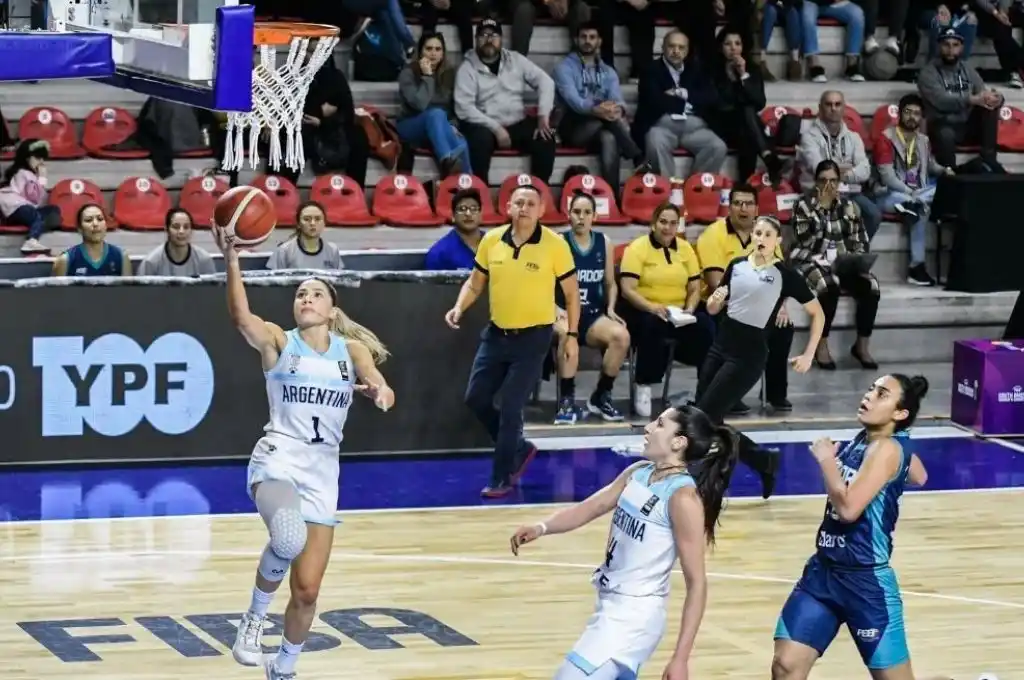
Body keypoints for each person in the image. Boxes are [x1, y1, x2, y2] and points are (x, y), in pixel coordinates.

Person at [215, 222, 395, 680]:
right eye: (300, 294)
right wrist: (232, 258)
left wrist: (379, 394)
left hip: (322, 470)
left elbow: (381, 385)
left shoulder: (351, 351)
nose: (306, 299)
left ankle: (283, 668)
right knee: (288, 537)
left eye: (316, 294)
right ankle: (252, 621)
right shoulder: (280, 340)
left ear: (332, 310)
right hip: (279, 456)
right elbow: (241, 318)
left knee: (308, 591)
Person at [509, 405, 739, 680]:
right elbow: (589, 508)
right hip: (609, 604)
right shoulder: (638, 473)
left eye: (660, 424)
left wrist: (681, 658)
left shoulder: (683, 498)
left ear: (678, 443)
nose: (648, 427)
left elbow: (697, 583)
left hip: (634, 618)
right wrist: (541, 527)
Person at [771, 374, 947, 680]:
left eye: (882, 394)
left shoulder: (886, 449)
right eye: (870, 389)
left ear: (899, 413)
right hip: (823, 573)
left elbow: (849, 509)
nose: (869, 396)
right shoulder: (866, 439)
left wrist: (827, 461)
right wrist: (899, 454)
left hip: (865, 582)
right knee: (785, 666)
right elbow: (919, 476)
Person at [445, 184, 580, 498]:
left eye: (531, 203)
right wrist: (459, 307)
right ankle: (517, 448)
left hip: (534, 338)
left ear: (542, 210)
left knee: (510, 406)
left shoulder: (555, 245)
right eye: (519, 202)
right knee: (476, 398)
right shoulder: (492, 240)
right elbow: (475, 284)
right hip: (496, 334)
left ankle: (501, 476)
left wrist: (571, 335)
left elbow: (572, 294)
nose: (524, 208)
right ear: (508, 207)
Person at [701, 215, 825, 499]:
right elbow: (713, 308)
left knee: (705, 418)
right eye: (758, 233)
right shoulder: (736, 265)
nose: (761, 238)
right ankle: (762, 460)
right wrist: (714, 303)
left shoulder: (785, 275)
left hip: (748, 354)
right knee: (704, 418)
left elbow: (818, 313)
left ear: (777, 241)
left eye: (768, 234)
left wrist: (809, 354)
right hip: (720, 345)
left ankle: (713, 476)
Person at [617, 202, 714, 418]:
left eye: (672, 223)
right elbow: (627, 289)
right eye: (663, 222)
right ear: (653, 223)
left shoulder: (686, 249)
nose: (667, 228)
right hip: (643, 309)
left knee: (706, 325)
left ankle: (706, 390)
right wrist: (652, 307)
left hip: (678, 312)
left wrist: (690, 308)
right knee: (653, 325)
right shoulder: (637, 248)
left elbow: (695, 287)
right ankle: (644, 384)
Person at [789, 159, 880, 371]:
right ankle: (821, 344)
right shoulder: (802, 206)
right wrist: (821, 211)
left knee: (871, 286)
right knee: (828, 286)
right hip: (810, 258)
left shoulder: (850, 207)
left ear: (839, 182)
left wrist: (858, 259)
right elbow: (805, 241)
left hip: (841, 261)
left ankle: (861, 345)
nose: (828, 186)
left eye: (833, 181)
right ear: (816, 182)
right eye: (823, 180)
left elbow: (860, 240)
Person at [553, 192, 630, 424]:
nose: (581, 217)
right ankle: (566, 400)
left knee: (621, 336)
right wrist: (553, 308)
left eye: (587, 212)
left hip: (592, 315)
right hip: (564, 312)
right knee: (567, 334)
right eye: (577, 212)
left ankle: (601, 396)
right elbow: (543, 282)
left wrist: (612, 308)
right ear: (568, 214)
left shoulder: (603, 242)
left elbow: (610, 283)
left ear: (594, 216)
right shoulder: (558, 242)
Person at [396, 31, 472, 177]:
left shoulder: (449, 74)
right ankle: (446, 160)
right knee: (436, 114)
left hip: (439, 126)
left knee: (461, 141)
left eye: (438, 49)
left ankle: (466, 183)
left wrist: (452, 125)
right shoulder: (408, 73)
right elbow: (419, 104)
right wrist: (428, 77)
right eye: (428, 49)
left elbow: (453, 108)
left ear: (443, 53)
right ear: (420, 51)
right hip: (410, 124)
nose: (433, 53)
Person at [0, 138, 59, 254]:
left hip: (22, 209)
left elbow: (37, 202)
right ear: (26, 158)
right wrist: (42, 179)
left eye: (43, 158)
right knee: (35, 215)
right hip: (15, 206)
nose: (41, 162)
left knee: (53, 211)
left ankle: (35, 225)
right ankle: (31, 240)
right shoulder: (23, 173)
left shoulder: (30, 175)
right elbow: (34, 197)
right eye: (37, 158)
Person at [52, 204, 131, 277]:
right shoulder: (65, 260)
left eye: (100, 219)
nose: (95, 224)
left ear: (106, 225)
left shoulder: (122, 257)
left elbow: (128, 288)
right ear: (79, 228)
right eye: (88, 220)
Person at [137, 208, 217, 277]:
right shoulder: (150, 263)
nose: (181, 231)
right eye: (176, 227)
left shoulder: (204, 260)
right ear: (167, 230)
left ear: (191, 230)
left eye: (186, 227)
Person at [266, 202, 345, 271]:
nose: (312, 223)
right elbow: (274, 280)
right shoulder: (284, 251)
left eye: (318, 219)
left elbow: (339, 280)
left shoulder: (332, 250)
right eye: (307, 219)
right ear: (298, 224)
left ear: (324, 223)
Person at [424, 188, 484, 271]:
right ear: (453, 216)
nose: (468, 214)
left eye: (474, 209)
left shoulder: (495, 244)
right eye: (462, 209)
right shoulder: (439, 253)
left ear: (481, 215)